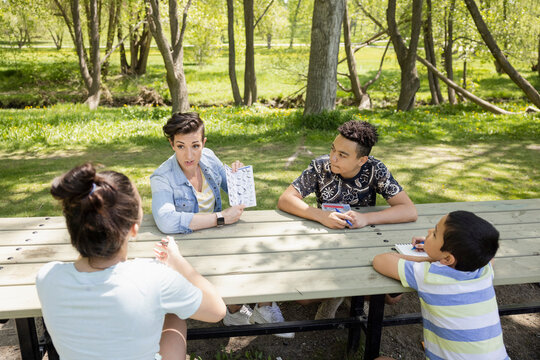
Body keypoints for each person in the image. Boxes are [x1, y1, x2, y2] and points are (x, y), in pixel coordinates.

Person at [36, 163, 226, 360]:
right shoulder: (154, 277)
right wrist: (178, 261)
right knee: (175, 315)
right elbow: (217, 311)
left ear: (72, 227)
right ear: (134, 229)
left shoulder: (47, 277)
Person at [151, 112, 292, 337]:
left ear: (204, 143)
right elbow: (166, 220)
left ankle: (264, 308)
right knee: (234, 259)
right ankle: (234, 310)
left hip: (217, 235)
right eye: (181, 146)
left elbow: (237, 195)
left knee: (263, 245)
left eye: (195, 145)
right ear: (171, 144)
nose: (189, 154)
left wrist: (238, 175)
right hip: (189, 244)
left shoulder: (209, 158)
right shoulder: (162, 177)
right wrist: (219, 218)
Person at [277, 120, 417, 318]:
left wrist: (366, 219)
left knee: (392, 298)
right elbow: (285, 199)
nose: (333, 158)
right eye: (333, 149)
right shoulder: (320, 166)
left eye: (342, 155)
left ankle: (342, 295)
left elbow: (409, 210)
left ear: (362, 160)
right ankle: (346, 294)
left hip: (364, 241)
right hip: (326, 241)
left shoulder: (376, 169)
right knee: (302, 298)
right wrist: (321, 215)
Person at [372, 211, 509, 360]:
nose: (429, 231)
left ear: (448, 259)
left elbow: (381, 260)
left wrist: (430, 259)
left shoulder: (430, 276)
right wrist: (438, 251)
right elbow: (489, 256)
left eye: (435, 234)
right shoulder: (484, 270)